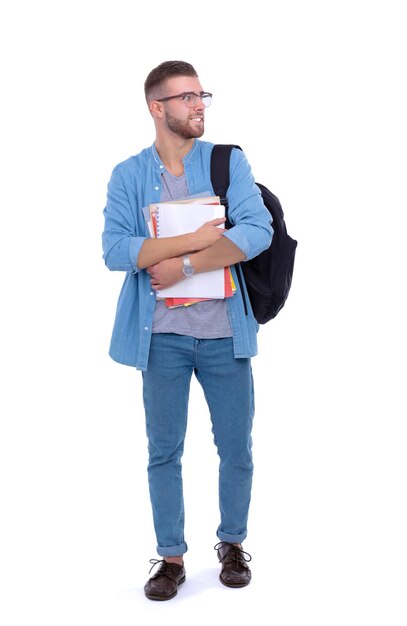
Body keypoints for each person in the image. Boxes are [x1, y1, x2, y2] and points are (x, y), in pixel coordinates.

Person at [102, 60, 273, 601]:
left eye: (203, 94)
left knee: (236, 449)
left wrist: (181, 265)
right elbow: (116, 251)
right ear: (158, 108)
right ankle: (171, 557)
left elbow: (256, 231)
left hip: (225, 332)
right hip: (162, 338)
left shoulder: (227, 163)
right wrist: (195, 238)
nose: (200, 104)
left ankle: (231, 543)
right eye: (186, 97)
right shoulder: (128, 175)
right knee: (163, 451)